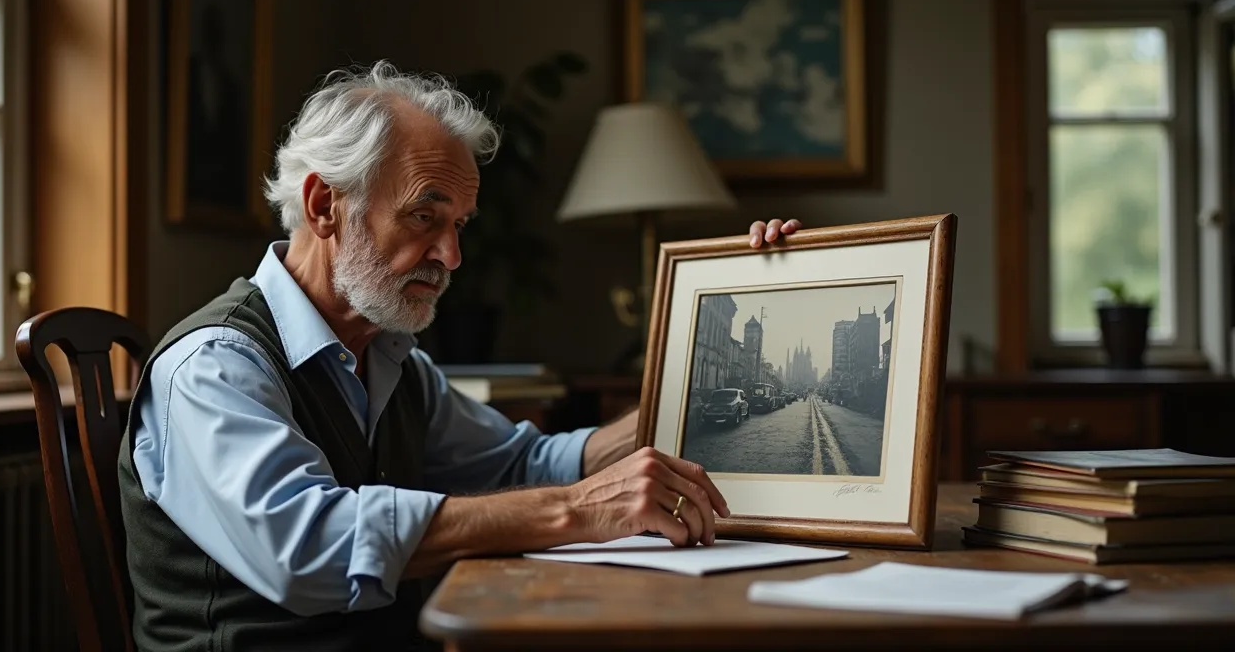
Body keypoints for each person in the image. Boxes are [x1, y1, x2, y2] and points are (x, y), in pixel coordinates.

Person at [117, 59, 802, 652]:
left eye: (458, 226)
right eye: (424, 216)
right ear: (326, 204)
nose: (452, 256)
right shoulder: (213, 365)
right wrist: (578, 510)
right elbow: (311, 546)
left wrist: (733, 302)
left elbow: (517, 464)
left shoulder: (390, 360)